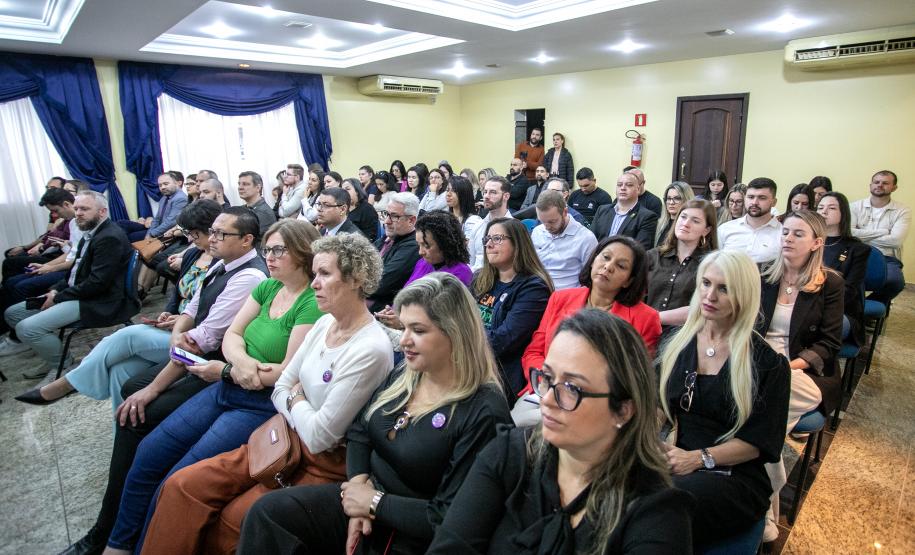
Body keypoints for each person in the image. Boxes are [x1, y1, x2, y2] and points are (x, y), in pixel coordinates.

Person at [142, 232, 394, 555]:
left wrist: (295, 396)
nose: (315, 283)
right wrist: (297, 399)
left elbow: (319, 437)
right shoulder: (324, 324)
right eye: (314, 273)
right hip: (282, 438)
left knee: (231, 522)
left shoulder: (370, 348)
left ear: (356, 279)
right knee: (181, 486)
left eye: (325, 274)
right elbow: (281, 388)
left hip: (320, 462)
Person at [238, 273, 511, 554]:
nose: (404, 341)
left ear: (455, 333)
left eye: (418, 330)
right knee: (268, 515)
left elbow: (452, 517)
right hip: (364, 495)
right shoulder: (408, 374)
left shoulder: (485, 412)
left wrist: (374, 503)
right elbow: (360, 431)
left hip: (413, 534)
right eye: (404, 327)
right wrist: (358, 491)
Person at [50, 208, 268, 555]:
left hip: (212, 369)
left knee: (138, 410)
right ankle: (124, 489)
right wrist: (178, 332)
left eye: (220, 234)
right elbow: (191, 309)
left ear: (246, 241)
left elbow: (204, 341)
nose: (211, 238)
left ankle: (109, 530)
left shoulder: (251, 277)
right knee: (129, 387)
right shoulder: (222, 263)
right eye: (211, 231)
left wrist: (169, 362)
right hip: (194, 355)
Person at [103, 219, 326, 554]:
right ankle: (117, 544)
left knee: (178, 478)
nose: (269, 257)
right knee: (148, 452)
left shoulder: (311, 301)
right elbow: (232, 336)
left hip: (260, 403)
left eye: (279, 250)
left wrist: (229, 369)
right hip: (228, 386)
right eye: (267, 249)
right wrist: (240, 366)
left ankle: (144, 546)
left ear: (303, 252)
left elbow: (284, 373)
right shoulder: (268, 287)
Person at [428, 309, 694, 554]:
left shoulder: (657, 513)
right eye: (547, 378)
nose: (547, 400)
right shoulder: (510, 453)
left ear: (624, 410)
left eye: (572, 388)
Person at [14, 200, 222, 407]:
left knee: (128, 336)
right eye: (187, 233)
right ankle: (124, 425)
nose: (188, 238)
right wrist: (167, 314)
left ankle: (67, 384)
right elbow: (178, 296)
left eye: (194, 234)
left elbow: (216, 315)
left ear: (212, 231)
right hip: (175, 328)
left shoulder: (223, 262)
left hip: (195, 340)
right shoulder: (193, 254)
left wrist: (182, 321)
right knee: (120, 371)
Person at [658, 250, 790, 545]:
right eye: (706, 283)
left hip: (732, 474)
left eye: (724, 289)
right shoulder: (676, 341)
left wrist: (697, 459)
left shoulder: (768, 364)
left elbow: (759, 442)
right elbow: (658, 405)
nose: (710, 295)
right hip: (677, 453)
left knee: (666, 503)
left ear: (743, 295)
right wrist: (649, 445)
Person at [2, 192, 137, 376]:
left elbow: (97, 284)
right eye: (77, 209)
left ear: (102, 212)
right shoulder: (90, 234)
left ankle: (62, 367)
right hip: (80, 293)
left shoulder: (109, 237)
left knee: (27, 328)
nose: (78, 213)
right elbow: (75, 273)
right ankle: (52, 355)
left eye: (85, 209)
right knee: (13, 313)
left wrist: (58, 297)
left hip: (100, 301)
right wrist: (55, 290)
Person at [522, 235, 661, 384]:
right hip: (546, 385)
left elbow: (636, 376)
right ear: (593, 260)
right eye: (606, 257)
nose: (608, 267)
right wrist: (546, 381)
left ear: (629, 280)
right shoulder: (560, 298)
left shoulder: (646, 318)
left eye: (621, 266)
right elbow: (533, 352)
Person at [758, 210, 844, 428]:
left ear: (816, 243)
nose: (788, 238)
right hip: (759, 357)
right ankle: (759, 443)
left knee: (773, 391)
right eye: (785, 232)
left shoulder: (830, 284)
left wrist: (786, 367)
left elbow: (828, 344)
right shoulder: (762, 273)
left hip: (802, 366)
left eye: (798, 234)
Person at [473, 217, 553, 400]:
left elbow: (503, 340)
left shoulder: (534, 288)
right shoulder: (480, 278)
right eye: (487, 239)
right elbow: (460, 318)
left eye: (497, 239)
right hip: (472, 360)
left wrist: (460, 338)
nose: (489, 245)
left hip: (501, 375)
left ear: (517, 244)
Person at [0, 189, 78, 348]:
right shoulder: (71, 223)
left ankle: (20, 335)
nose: (54, 215)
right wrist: (47, 266)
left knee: (22, 286)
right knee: (11, 282)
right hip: (62, 262)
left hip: (70, 270)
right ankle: (10, 329)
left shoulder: (81, 224)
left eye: (55, 211)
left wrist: (49, 268)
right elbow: (71, 252)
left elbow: (76, 259)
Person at [647, 199, 717, 328]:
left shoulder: (711, 265)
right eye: (683, 217)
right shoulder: (652, 256)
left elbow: (702, 307)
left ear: (706, 230)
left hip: (683, 334)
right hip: (643, 330)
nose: (686, 224)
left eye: (695, 221)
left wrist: (653, 318)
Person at [850, 169, 910, 305]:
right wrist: (884, 231)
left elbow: (896, 241)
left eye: (885, 183)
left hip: (887, 258)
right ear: (870, 185)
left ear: (894, 187)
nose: (880, 185)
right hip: (857, 254)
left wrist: (861, 235)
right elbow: (850, 234)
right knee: (844, 278)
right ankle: (852, 307)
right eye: (876, 182)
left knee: (896, 282)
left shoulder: (902, 211)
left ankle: (869, 305)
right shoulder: (854, 207)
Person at [818, 192, 869, 345]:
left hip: (839, 310)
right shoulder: (809, 242)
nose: (824, 212)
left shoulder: (857, 249)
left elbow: (849, 291)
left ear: (843, 213)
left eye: (831, 208)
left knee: (813, 327)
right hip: (805, 305)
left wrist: (816, 307)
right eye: (820, 207)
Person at [531, 190, 597, 290]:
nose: (547, 227)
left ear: (565, 212)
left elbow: (591, 278)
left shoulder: (586, 238)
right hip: (535, 290)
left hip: (565, 294)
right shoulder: (537, 231)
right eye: (542, 221)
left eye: (552, 222)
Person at [368, 192, 421, 313]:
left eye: (394, 216)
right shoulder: (386, 239)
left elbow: (381, 284)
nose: (386, 221)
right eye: (386, 214)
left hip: (383, 311)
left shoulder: (413, 246)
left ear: (411, 220)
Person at [717, 177, 782, 264]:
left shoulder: (782, 234)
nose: (754, 202)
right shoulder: (725, 229)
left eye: (762, 198)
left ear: (774, 202)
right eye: (750, 197)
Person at [591, 173, 659, 250]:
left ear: (638, 189)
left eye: (629, 185)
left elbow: (640, 250)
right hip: (598, 255)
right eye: (619, 185)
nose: (623, 188)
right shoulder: (602, 210)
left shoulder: (647, 217)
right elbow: (591, 239)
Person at [407, 211, 472, 286]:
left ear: (444, 244)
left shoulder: (461, 273)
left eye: (427, 246)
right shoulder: (422, 263)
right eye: (419, 245)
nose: (420, 252)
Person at [120, 173, 189, 242]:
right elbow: (157, 219)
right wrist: (149, 233)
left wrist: (152, 234)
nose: (162, 187)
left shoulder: (180, 198)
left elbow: (170, 222)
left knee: (129, 237)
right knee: (122, 223)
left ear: (176, 183)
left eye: (166, 184)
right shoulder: (164, 198)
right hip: (157, 229)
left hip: (167, 233)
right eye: (160, 185)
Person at [467, 176, 512, 271]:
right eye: (485, 192)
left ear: (506, 196)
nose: (486, 196)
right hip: (477, 277)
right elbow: (471, 261)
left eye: (493, 192)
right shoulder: (477, 226)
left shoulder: (514, 228)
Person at [237, 171, 278, 238]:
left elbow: (250, 239)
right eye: (239, 184)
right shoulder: (243, 209)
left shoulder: (264, 213)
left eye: (245, 184)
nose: (240, 187)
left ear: (258, 188)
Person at [655, 181, 695, 247]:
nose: (671, 202)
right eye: (668, 198)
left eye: (677, 198)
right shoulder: (660, 224)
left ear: (687, 200)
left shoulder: (687, 226)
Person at [445, 175, 483, 240]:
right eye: (447, 190)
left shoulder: (473, 221)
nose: (448, 194)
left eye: (453, 190)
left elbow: (467, 245)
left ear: (463, 194)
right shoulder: (445, 217)